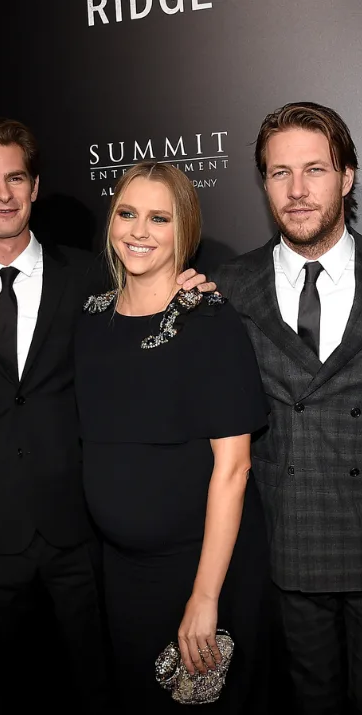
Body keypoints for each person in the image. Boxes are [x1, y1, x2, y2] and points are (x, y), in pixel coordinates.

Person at [0, 118, 214, 714]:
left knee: (98, 681)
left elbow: (149, 333)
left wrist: (186, 292)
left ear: (34, 186)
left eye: (15, 178)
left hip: (82, 523)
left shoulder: (91, 276)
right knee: (14, 688)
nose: (2, 194)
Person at [74, 161, 271, 714]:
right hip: (123, 574)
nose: (139, 231)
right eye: (127, 213)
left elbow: (233, 469)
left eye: (159, 218)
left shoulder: (210, 323)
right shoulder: (90, 320)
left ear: (185, 229)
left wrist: (205, 597)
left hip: (202, 569)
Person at [212, 101, 361, 715]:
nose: (297, 191)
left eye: (315, 170)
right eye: (280, 173)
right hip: (287, 544)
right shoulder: (228, 287)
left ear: (346, 178)